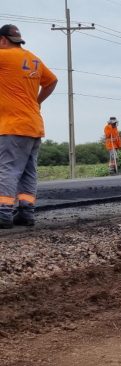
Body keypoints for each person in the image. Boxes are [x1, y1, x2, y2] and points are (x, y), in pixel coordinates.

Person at [0, 24, 58, 228]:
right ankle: (26, 213)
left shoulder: (3, 56)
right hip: (33, 125)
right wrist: (37, 101)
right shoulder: (33, 59)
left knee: (7, 169)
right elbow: (52, 81)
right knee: (28, 172)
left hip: (13, 125)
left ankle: (4, 213)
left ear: (3, 40)